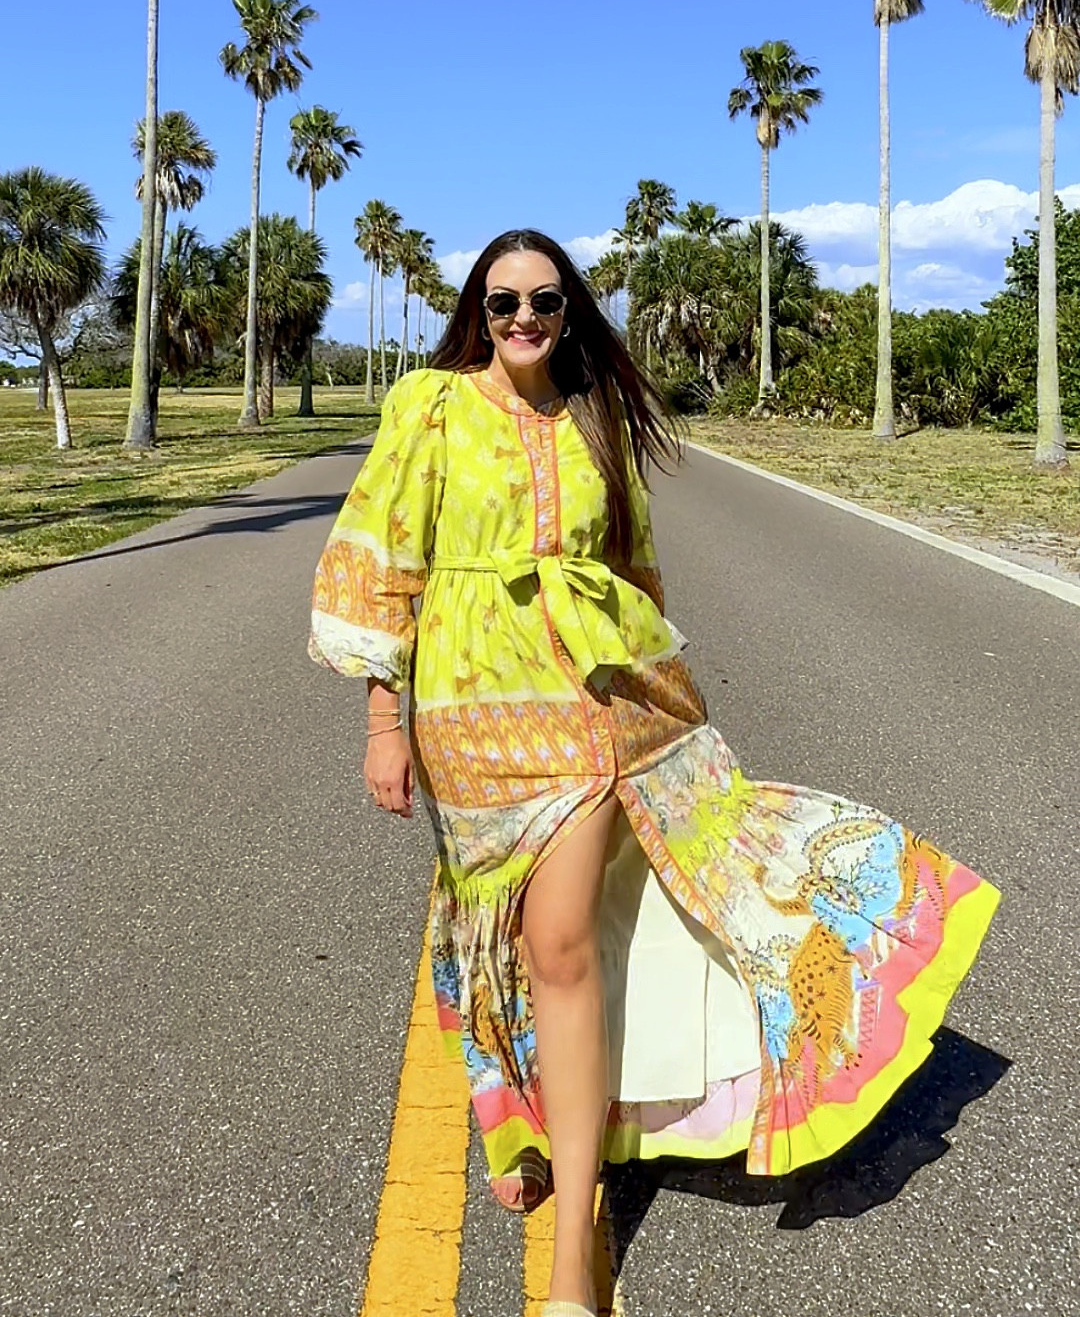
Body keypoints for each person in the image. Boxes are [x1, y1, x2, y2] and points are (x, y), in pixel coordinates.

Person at [308, 227, 1000, 1317]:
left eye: (544, 300)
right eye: (502, 303)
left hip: (587, 703)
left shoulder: (593, 421)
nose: (524, 319)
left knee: (564, 939)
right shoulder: (429, 408)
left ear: (571, 309)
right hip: (466, 714)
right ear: (476, 313)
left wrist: (659, 689)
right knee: (500, 931)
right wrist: (381, 720)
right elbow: (382, 557)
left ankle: (576, 1249)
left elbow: (633, 567)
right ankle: (531, 1106)